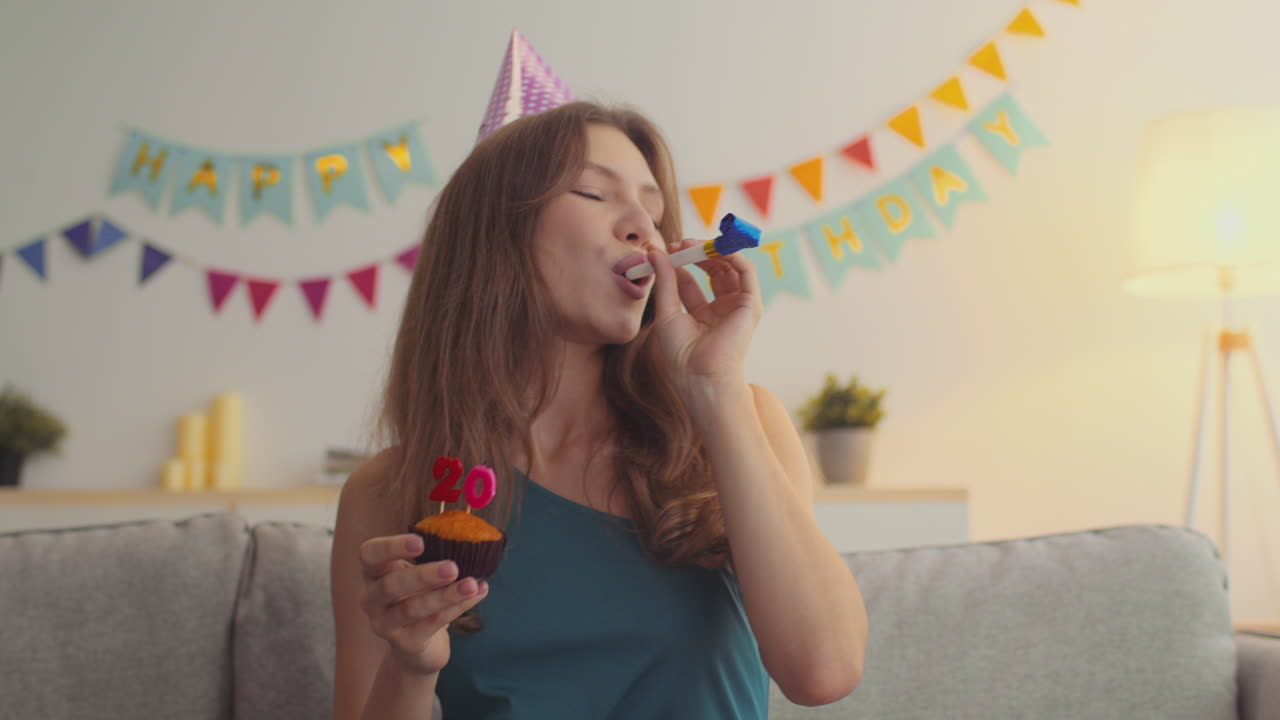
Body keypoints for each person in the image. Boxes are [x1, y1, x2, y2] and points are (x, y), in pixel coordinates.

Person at [330, 100, 868, 720]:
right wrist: (412, 665)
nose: (644, 224)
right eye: (593, 193)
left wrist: (714, 389)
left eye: (655, 209)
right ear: (493, 231)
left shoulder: (741, 422)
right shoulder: (388, 491)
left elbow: (825, 672)